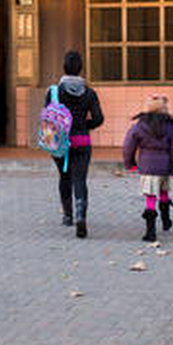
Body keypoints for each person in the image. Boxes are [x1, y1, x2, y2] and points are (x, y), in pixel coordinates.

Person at [46, 50, 103, 238]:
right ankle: (81, 216)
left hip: (60, 142)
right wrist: (85, 126)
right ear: (80, 69)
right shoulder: (89, 93)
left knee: (64, 177)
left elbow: (47, 117)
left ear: (64, 67)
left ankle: (68, 216)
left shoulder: (54, 92)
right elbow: (99, 119)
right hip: (82, 141)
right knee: (80, 179)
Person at [121, 94, 173, 242]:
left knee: (150, 196)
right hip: (164, 167)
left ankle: (150, 232)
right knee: (163, 192)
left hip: (148, 167)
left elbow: (128, 147)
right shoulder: (170, 128)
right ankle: (166, 220)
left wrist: (130, 163)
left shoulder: (139, 126)